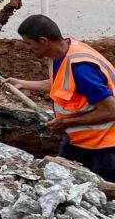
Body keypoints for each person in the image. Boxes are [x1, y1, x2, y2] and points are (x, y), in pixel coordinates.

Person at [6, 14, 115, 181]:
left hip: (105, 147)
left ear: (43, 41)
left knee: (104, 199)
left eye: (28, 43)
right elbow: (63, 84)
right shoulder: (64, 53)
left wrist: (66, 122)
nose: (26, 48)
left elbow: (111, 111)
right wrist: (23, 84)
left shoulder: (81, 69)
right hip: (78, 139)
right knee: (61, 182)